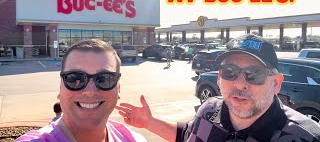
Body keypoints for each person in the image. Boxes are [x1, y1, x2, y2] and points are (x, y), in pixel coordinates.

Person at [115, 34, 320, 142]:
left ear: (275, 83)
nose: (240, 83)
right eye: (230, 71)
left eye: (254, 74)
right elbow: (187, 135)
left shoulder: (305, 137)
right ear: (220, 77)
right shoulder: (209, 110)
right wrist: (149, 122)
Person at [16, 39, 146, 141]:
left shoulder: (134, 139)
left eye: (104, 79)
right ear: (60, 89)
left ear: (118, 89)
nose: (90, 91)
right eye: (74, 79)